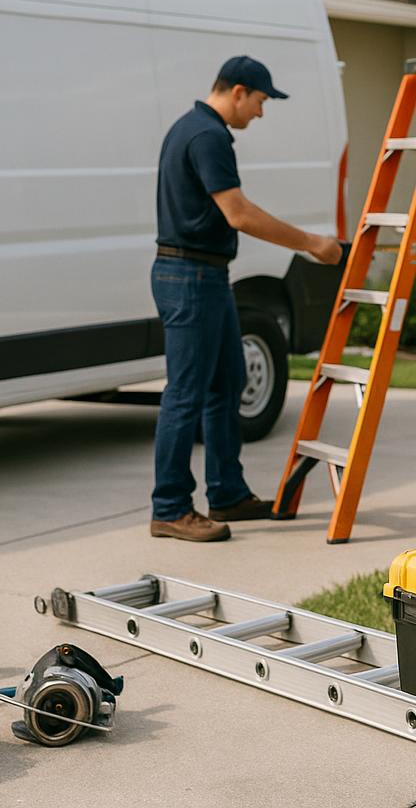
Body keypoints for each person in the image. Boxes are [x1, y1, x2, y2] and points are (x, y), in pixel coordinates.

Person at [150, 55, 343, 542]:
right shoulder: (207, 135)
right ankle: (170, 507)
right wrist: (310, 243)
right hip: (190, 276)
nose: (260, 112)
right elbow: (238, 214)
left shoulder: (192, 128)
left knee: (226, 384)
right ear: (237, 91)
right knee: (186, 394)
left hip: (203, 275)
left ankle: (227, 493)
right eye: (260, 100)